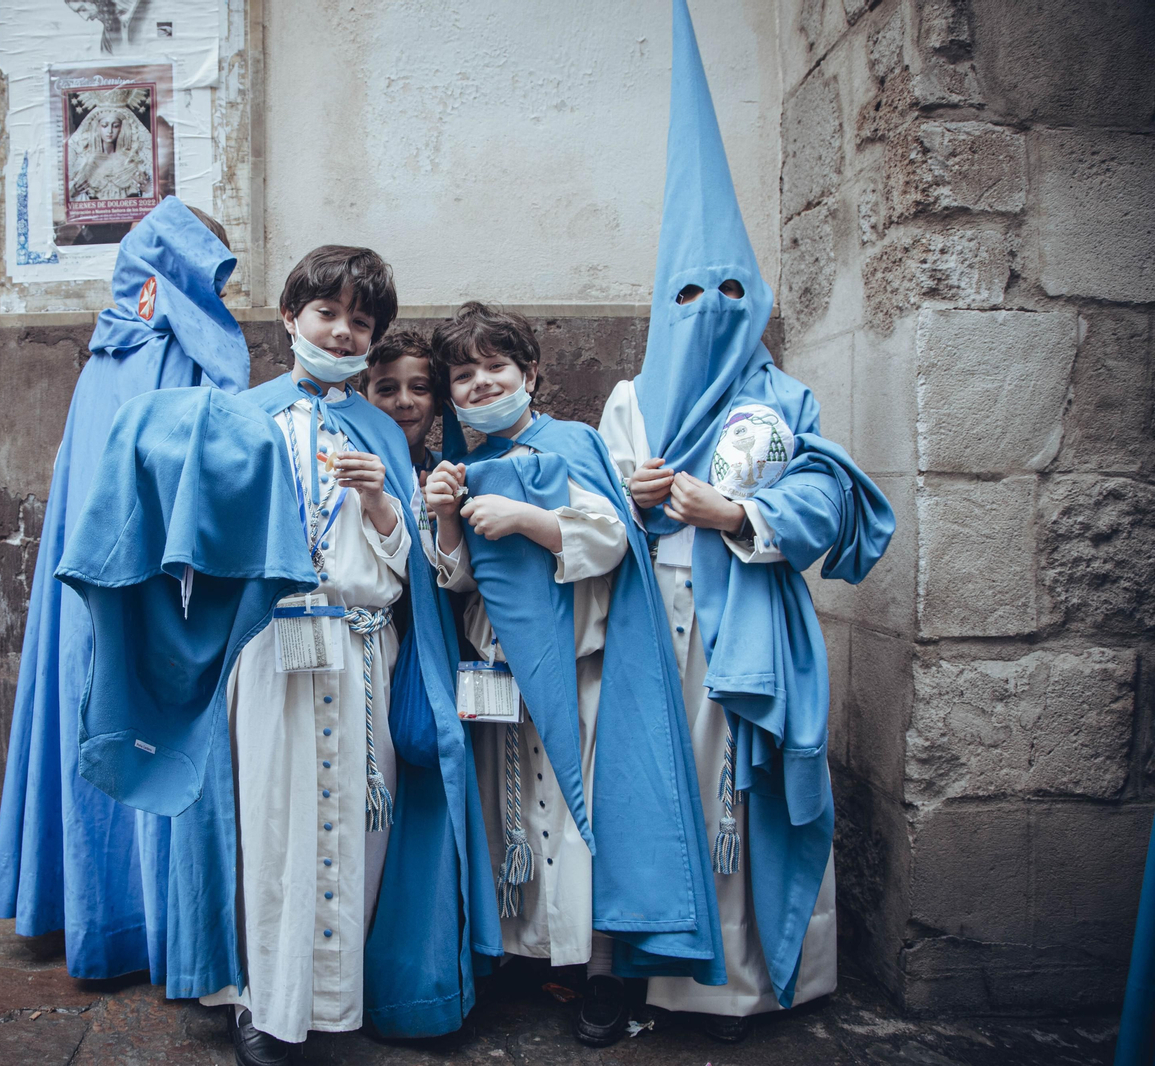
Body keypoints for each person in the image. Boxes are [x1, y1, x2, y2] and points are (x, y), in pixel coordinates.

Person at [65, 245, 499, 1066]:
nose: (340, 332)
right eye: (326, 314)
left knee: (355, 827)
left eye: (359, 323)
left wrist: (379, 502)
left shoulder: (381, 430)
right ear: (290, 318)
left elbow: (410, 568)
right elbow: (191, 516)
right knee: (271, 825)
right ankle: (264, 1005)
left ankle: (337, 1004)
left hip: (360, 648)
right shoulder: (241, 414)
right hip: (269, 649)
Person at [597, 0, 895, 1044]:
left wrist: (739, 510)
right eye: (693, 288)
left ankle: (759, 983)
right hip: (652, 635)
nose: (715, 305)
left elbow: (828, 492)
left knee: (748, 794)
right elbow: (586, 516)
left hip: (751, 621)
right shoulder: (630, 401)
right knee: (660, 794)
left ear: (759, 296)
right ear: (660, 299)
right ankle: (654, 974)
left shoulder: (782, 397)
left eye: (734, 286)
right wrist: (625, 507)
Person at [425, 302, 724, 1048]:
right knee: (511, 818)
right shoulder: (459, 467)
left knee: (580, 823)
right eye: (464, 375)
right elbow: (456, 581)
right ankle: (529, 956)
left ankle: (599, 972)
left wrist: (528, 520)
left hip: (576, 673)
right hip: (498, 678)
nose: (483, 383)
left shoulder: (575, 443)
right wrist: (449, 518)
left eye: (497, 366)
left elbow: (611, 537)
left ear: (531, 372)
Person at [0, 197, 246, 982]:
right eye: (212, 275)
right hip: (162, 588)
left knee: (95, 714)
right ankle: (158, 929)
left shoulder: (104, 356)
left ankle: (93, 915)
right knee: (156, 723)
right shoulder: (185, 356)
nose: (218, 298)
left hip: (90, 593)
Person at [361, 328, 440, 562]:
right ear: (363, 404)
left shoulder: (455, 471)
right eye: (387, 389)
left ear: (437, 401)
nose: (405, 401)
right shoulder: (353, 479)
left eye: (419, 388)